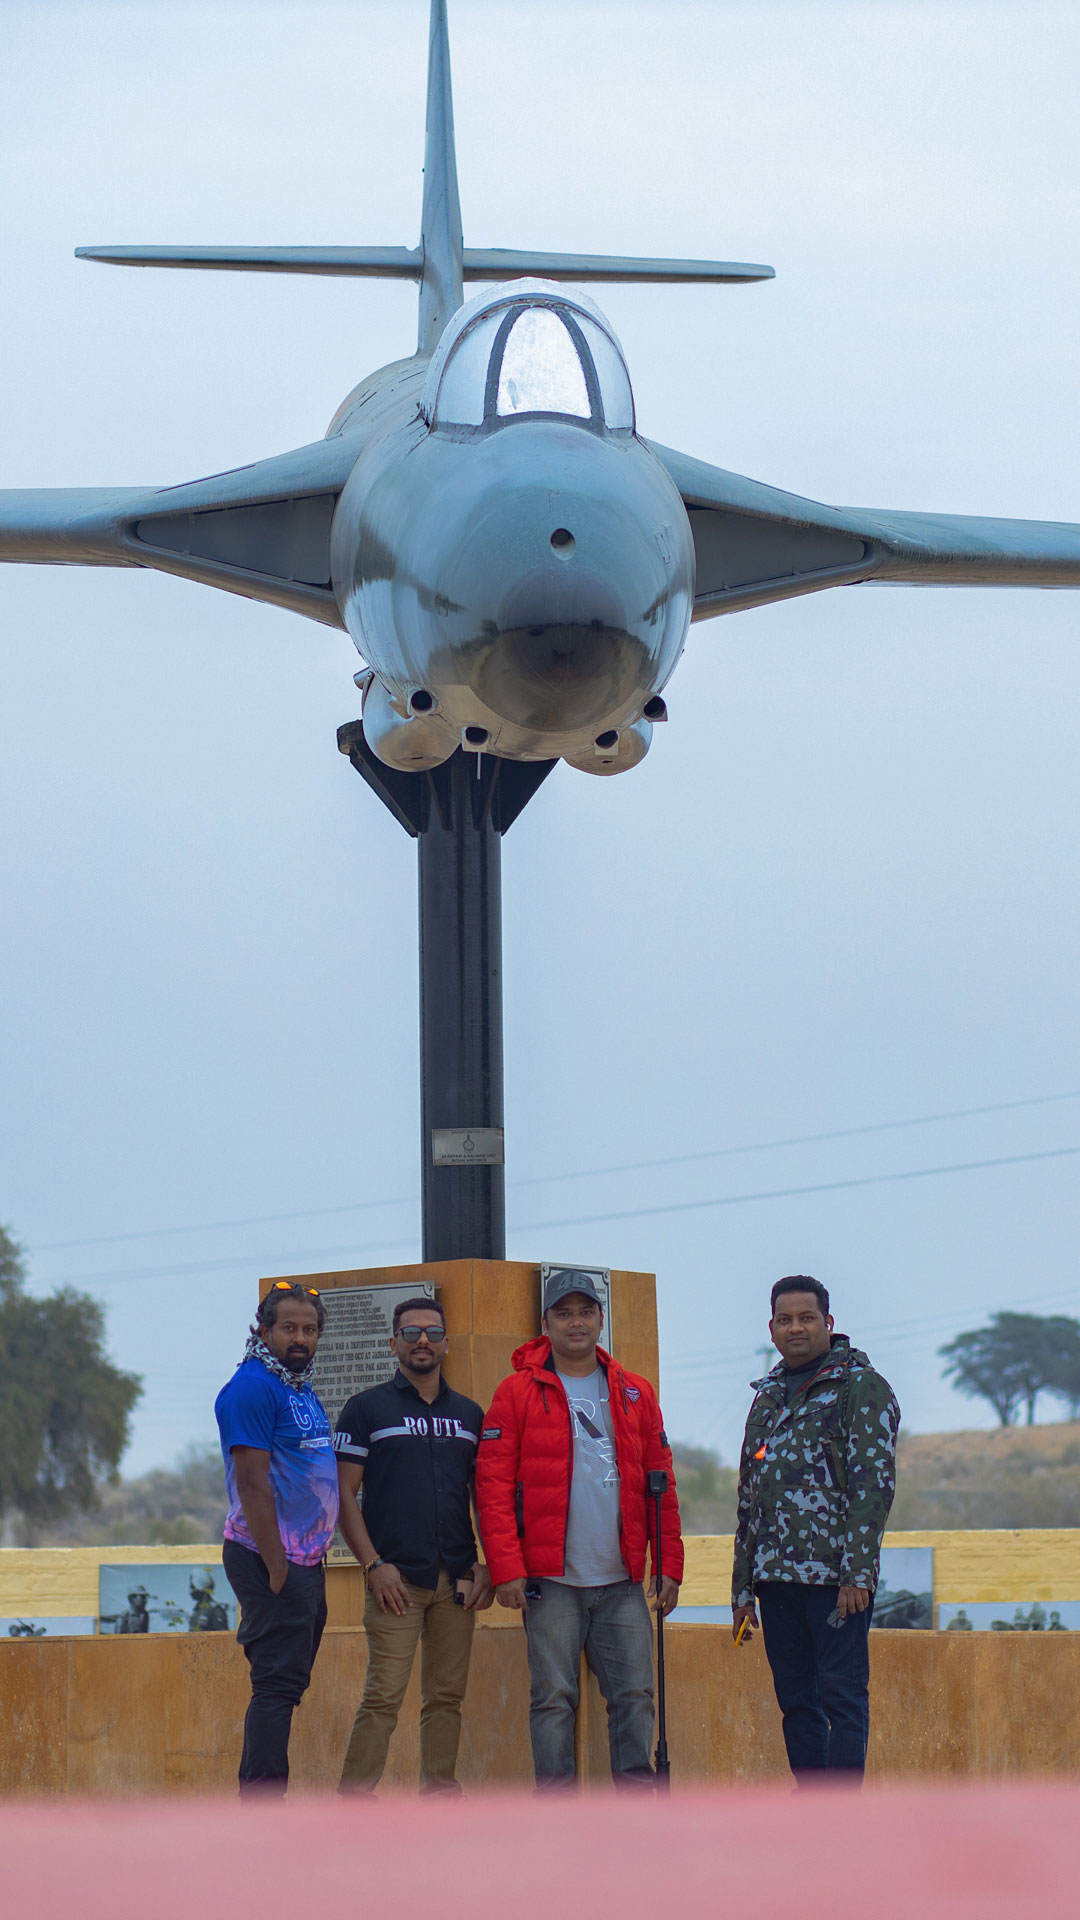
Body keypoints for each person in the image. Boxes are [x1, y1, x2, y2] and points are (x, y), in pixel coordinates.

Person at [476, 1269, 682, 1790]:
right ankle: (557, 1817)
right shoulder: (516, 1392)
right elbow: (492, 1488)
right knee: (552, 1700)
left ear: (600, 1319)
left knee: (634, 1697)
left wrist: (669, 1565)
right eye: (564, 1313)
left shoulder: (635, 1391)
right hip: (551, 1582)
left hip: (622, 1581)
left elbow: (661, 1484)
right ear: (546, 1323)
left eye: (585, 1312)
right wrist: (506, 1568)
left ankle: (636, 1811)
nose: (576, 1322)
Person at [732, 1274, 899, 1784]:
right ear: (771, 1328)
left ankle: (841, 1812)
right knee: (796, 1701)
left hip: (834, 1581)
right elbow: (750, 1497)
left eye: (807, 1318)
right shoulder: (767, 1396)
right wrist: (742, 1589)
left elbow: (873, 1487)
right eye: (785, 1320)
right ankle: (812, 1807)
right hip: (775, 1578)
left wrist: (857, 1574)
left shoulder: (860, 1387)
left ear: (829, 1323)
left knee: (841, 1697)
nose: (796, 1328)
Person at [333, 1296, 492, 1794]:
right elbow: (341, 1494)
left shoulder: (469, 1415)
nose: (422, 1340)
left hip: (456, 1582)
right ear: (393, 1342)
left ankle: (440, 1798)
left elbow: (484, 1497)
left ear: (446, 1343)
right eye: (411, 1332)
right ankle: (353, 1804)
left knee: (446, 1698)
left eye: (432, 1332)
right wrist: (372, 1565)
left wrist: (486, 1564)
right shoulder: (366, 1408)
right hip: (395, 1582)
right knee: (383, 1697)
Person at [215, 1279, 338, 1796]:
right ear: (263, 1330)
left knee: (286, 1686)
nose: (300, 1338)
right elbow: (251, 1482)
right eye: (288, 1327)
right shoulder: (252, 1387)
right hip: (268, 1557)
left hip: (303, 1560)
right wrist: (276, 1566)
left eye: (309, 1330)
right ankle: (263, 1808)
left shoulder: (295, 1385)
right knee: (275, 1686)